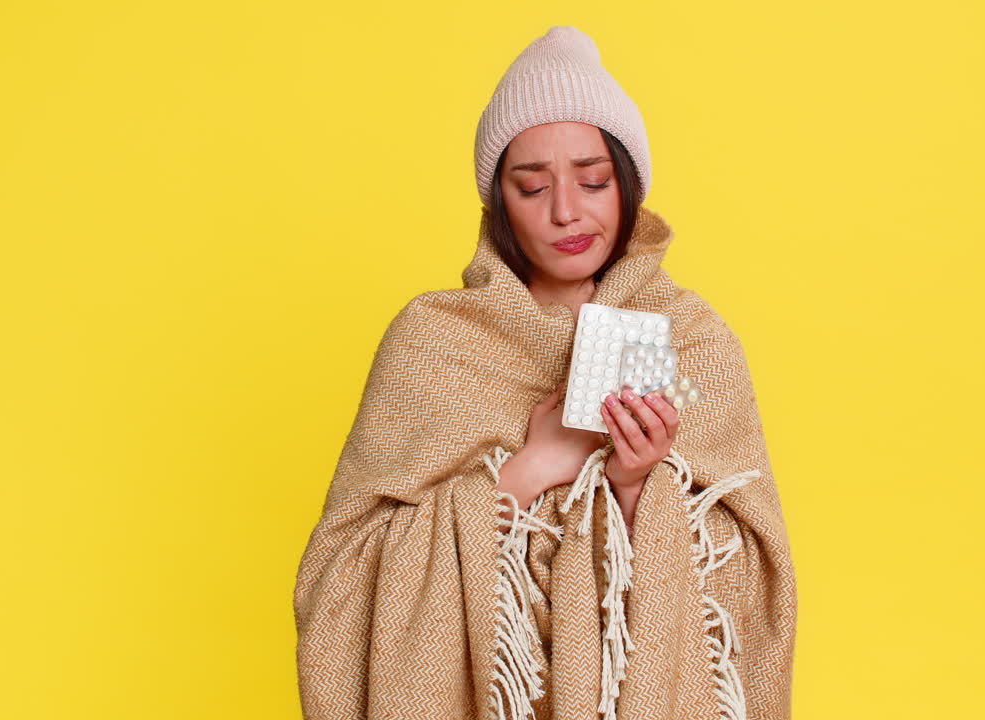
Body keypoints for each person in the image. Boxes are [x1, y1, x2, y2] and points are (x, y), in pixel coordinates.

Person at [294, 25, 797, 720]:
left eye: (592, 181)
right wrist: (532, 468)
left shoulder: (694, 342)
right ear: (500, 202)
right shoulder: (434, 343)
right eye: (532, 188)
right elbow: (339, 580)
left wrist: (633, 484)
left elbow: (753, 582)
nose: (567, 211)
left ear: (627, 186)